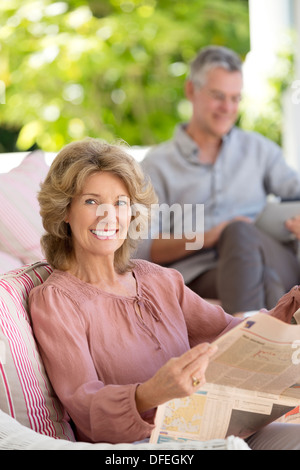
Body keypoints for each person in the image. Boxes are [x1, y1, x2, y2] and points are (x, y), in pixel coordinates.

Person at [28, 138, 300, 449]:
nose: (108, 215)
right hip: (145, 445)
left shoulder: (158, 279)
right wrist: (150, 393)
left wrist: (288, 313)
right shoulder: (55, 301)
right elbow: (84, 403)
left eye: (120, 202)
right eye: (91, 201)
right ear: (65, 210)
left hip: (216, 427)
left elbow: (230, 334)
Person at [136, 45, 300, 315]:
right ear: (191, 90)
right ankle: (265, 338)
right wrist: (207, 237)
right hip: (203, 274)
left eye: (236, 98)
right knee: (249, 253)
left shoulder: (260, 150)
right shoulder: (157, 165)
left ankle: (247, 339)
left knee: (242, 235)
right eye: (218, 96)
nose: (228, 108)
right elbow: (143, 248)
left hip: (268, 256)